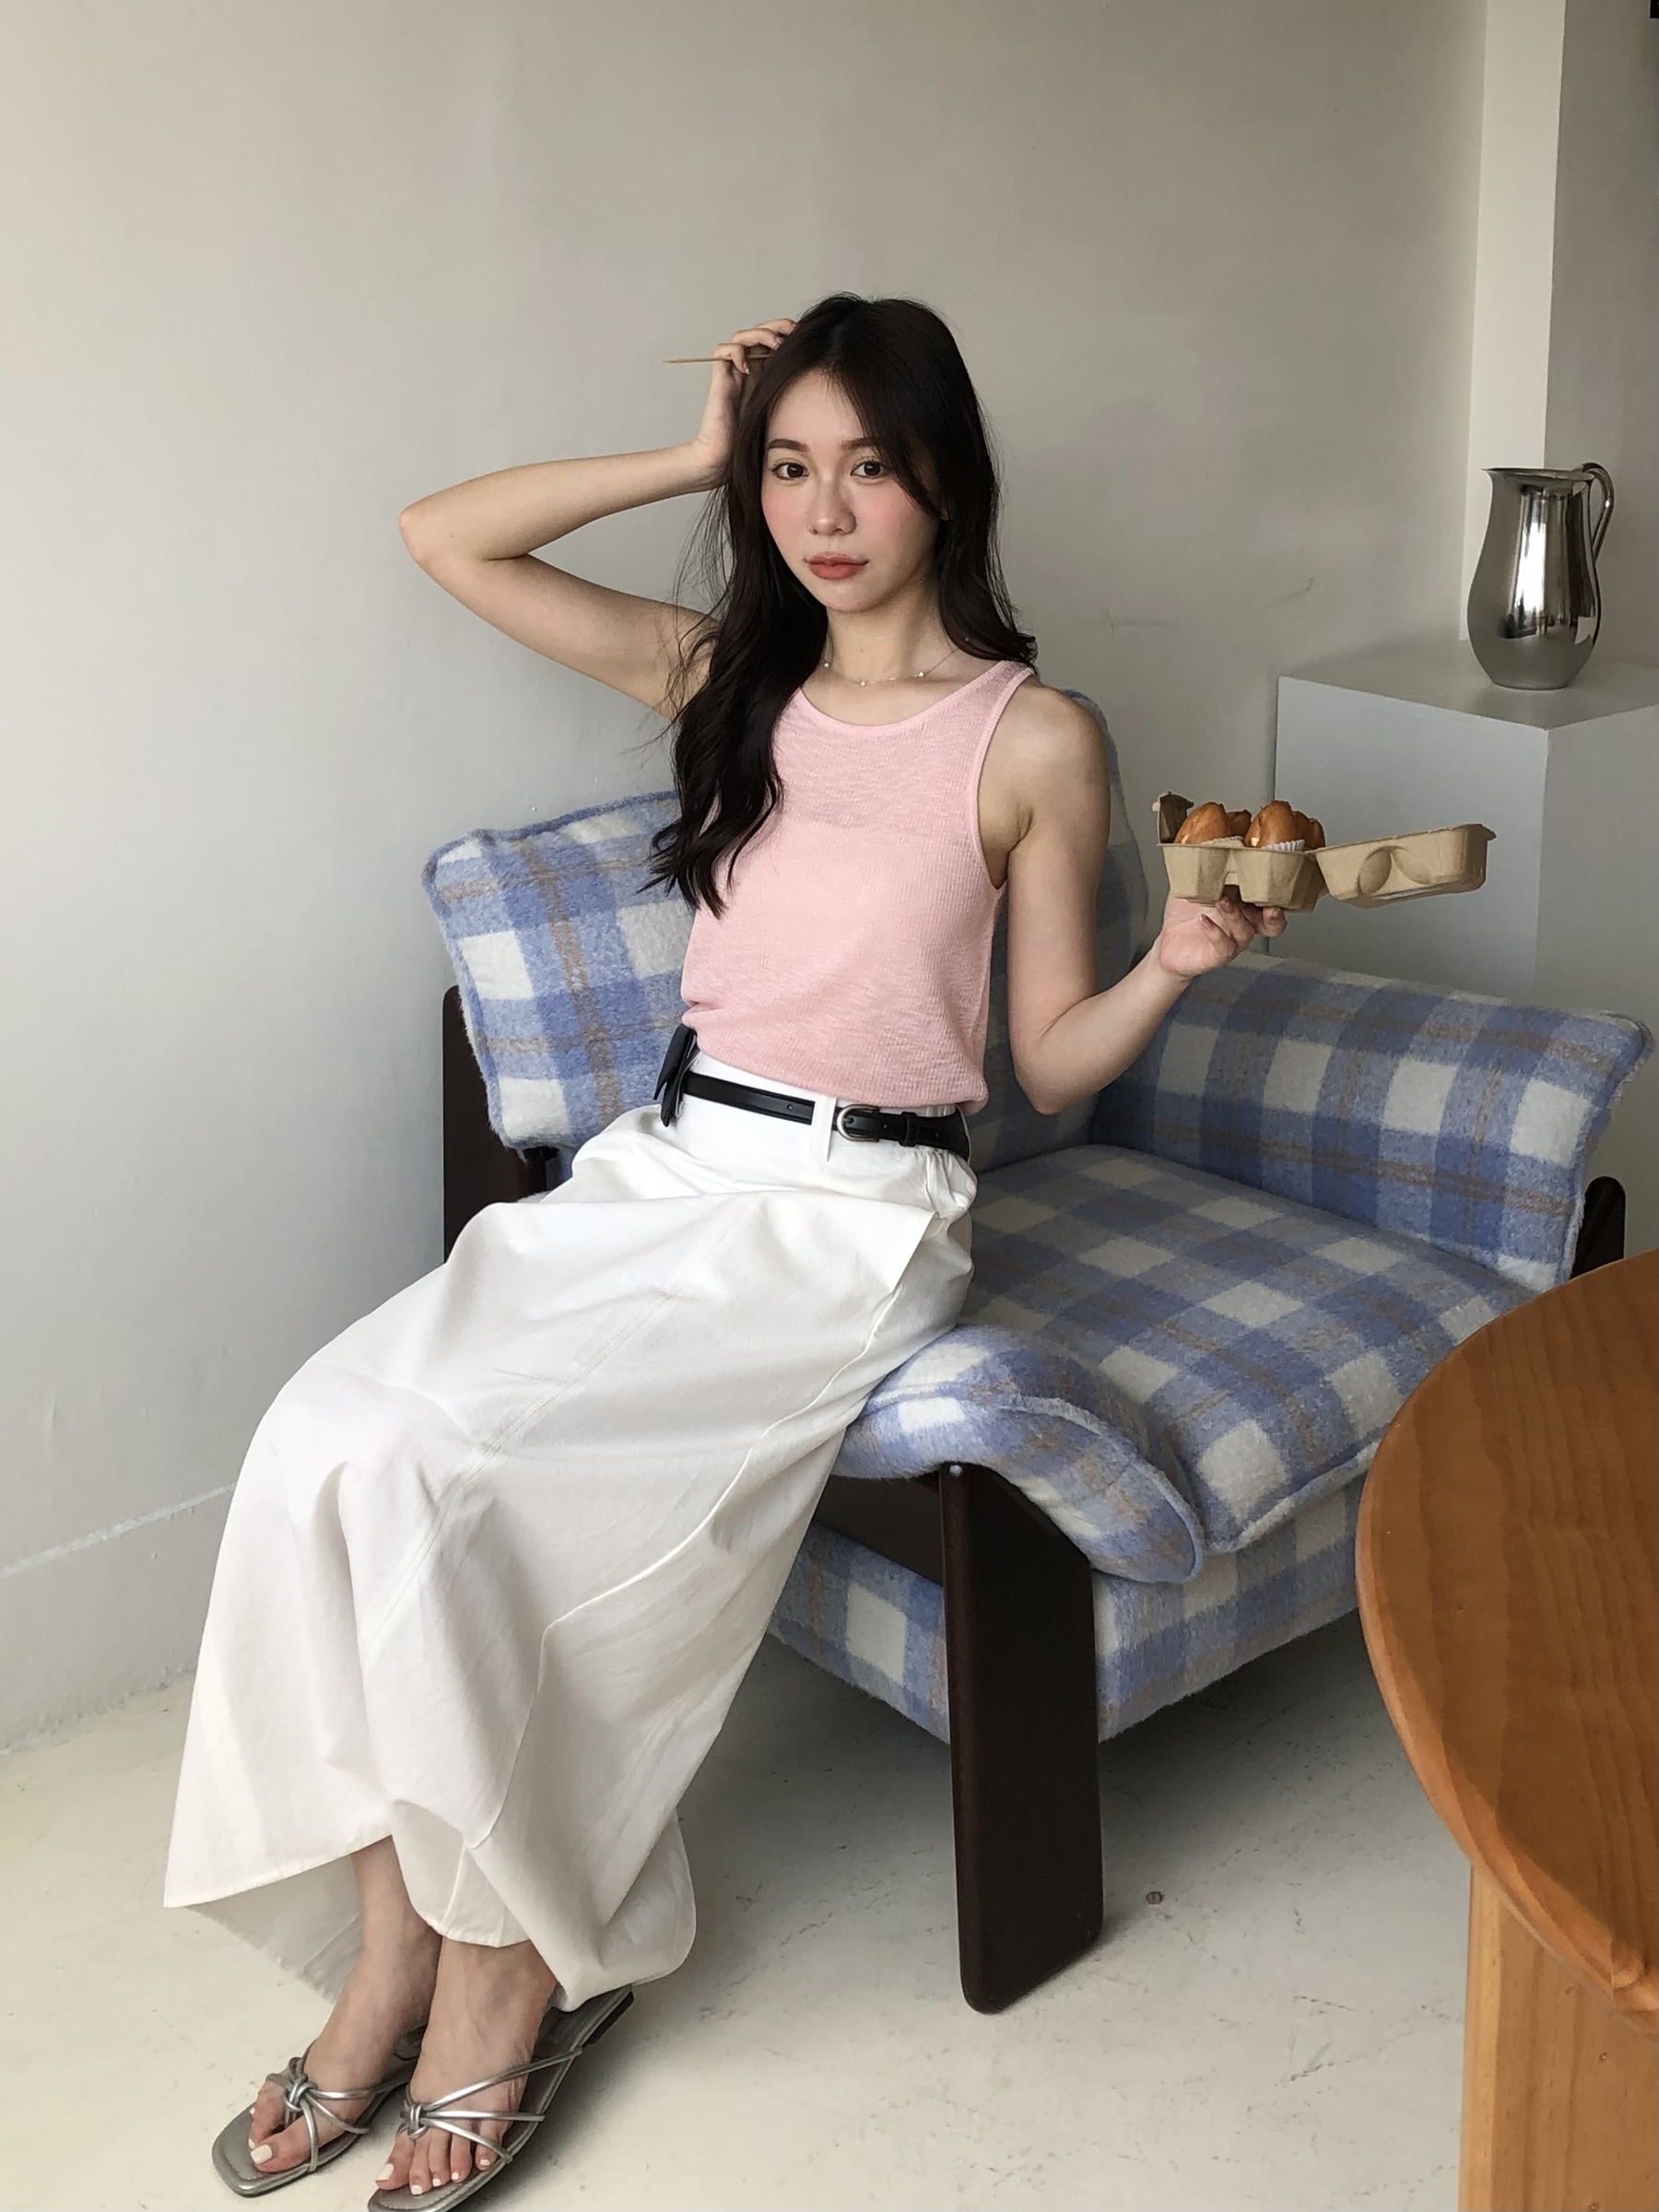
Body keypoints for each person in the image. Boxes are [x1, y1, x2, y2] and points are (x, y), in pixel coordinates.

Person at [166, 293, 1285, 2206]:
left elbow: (1043, 1060)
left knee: (461, 1479)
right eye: (786, 468)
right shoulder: (729, 679)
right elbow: (448, 539)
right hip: (670, 1173)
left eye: (869, 466)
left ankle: (510, 1980)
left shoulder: (1036, 737)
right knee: (332, 1434)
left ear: (949, 482)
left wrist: (1171, 964)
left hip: (856, 1221)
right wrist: (687, 453)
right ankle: (390, 1958)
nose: (823, 512)